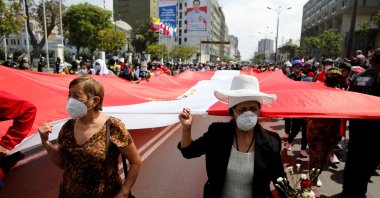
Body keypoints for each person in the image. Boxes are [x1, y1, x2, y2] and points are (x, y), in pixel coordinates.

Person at [177, 75, 289, 197]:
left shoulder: (271, 140)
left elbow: (279, 178)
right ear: (232, 111)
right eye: (242, 110)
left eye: (253, 109)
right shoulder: (217, 133)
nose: (248, 114)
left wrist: (298, 193)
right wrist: (186, 128)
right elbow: (189, 152)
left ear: (259, 110)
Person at [38, 75, 141, 197]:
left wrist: (124, 192)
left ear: (95, 100)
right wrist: (46, 143)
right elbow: (63, 163)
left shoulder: (113, 127)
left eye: (76, 96)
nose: (70, 100)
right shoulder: (68, 127)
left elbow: (135, 162)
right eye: (69, 95)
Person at [342, 47, 380, 197]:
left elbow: (348, 101)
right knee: (366, 168)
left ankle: (347, 191)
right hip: (374, 133)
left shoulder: (358, 77)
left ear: (370, 60)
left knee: (352, 162)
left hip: (356, 128)